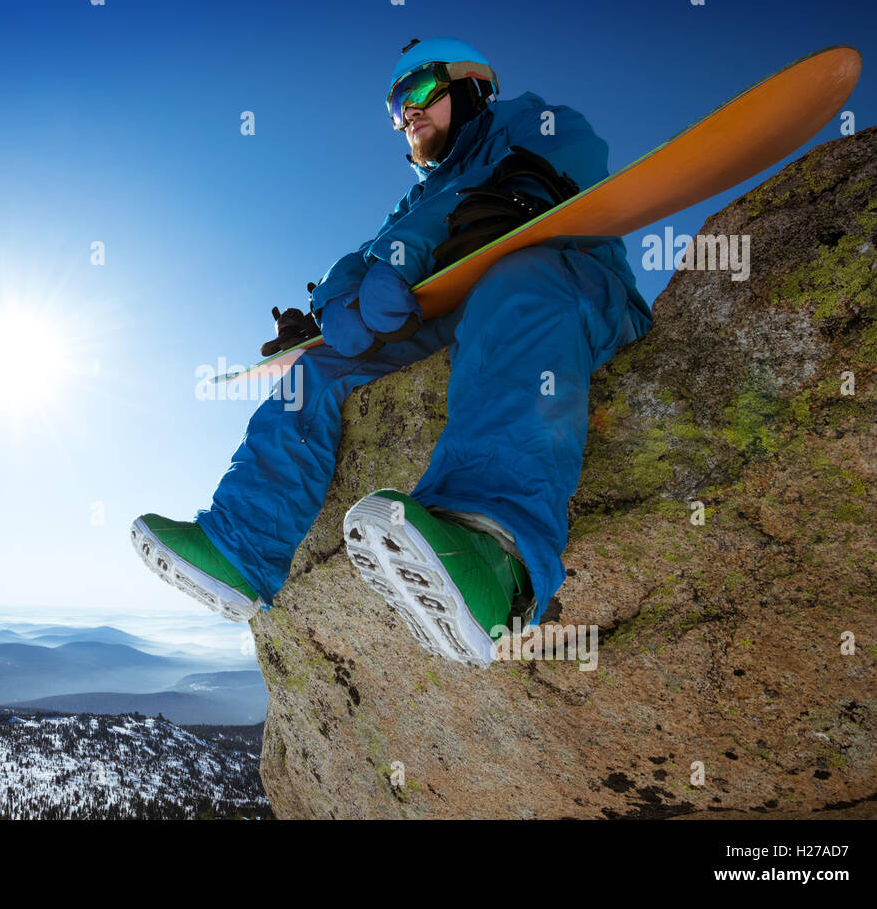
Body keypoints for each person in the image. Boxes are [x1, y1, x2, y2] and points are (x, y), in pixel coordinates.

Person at [131, 37, 653, 666]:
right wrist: (329, 304)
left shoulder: (534, 122)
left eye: (420, 91)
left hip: (567, 283)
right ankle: (243, 546)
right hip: (458, 310)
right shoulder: (418, 197)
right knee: (320, 369)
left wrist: (507, 197)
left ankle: (496, 563)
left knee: (520, 288)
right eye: (395, 107)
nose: (407, 112)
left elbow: (567, 161)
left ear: (469, 87)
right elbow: (383, 249)